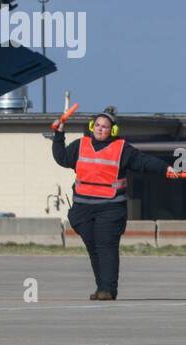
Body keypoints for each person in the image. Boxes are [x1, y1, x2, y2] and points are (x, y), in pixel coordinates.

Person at [52, 109, 174, 300]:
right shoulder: (80, 145)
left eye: (105, 127)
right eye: (98, 125)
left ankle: (108, 290)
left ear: (113, 130)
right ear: (92, 126)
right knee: (93, 248)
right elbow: (62, 158)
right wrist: (58, 135)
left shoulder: (121, 148)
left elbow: (143, 161)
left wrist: (165, 168)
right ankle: (101, 287)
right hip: (83, 208)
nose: (100, 129)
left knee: (106, 247)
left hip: (110, 208)